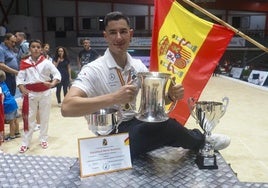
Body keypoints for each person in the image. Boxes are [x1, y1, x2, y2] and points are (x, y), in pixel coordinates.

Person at [61, 11, 231, 159]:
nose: (118, 37)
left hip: (134, 123)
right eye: (113, 32)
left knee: (163, 122)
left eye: (123, 32)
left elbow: (155, 104)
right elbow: (67, 108)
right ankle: (202, 140)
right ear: (105, 36)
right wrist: (113, 98)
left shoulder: (138, 67)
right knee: (165, 128)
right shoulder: (93, 69)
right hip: (109, 134)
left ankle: (187, 138)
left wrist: (171, 95)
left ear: (131, 34)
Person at [16, 39, 61, 153]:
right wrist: (21, 88)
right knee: (29, 118)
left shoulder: (46, 62)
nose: (35, 49)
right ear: (29, 49)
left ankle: (43, 139)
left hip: (45, 93)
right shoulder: (25, 62)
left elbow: (57, 74)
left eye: (38, 47)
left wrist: (52, 84)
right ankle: (26, 142)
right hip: (30, 93)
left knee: (44, 117)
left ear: (41, 49)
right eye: (33, 47)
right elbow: (20, 77)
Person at [0, 70, 19, 141]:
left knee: (11, 122)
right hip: (13, 103)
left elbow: (2, 97)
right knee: (15, 119)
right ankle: (17, 132)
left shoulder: (0, 87)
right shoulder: (4, 83)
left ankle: (12, 135)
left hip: (8, 106)